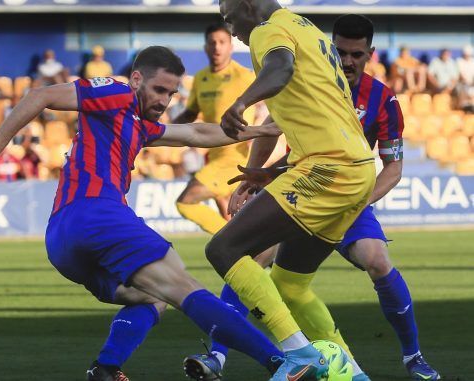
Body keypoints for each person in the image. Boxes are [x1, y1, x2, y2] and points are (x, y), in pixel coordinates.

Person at [0, 46, 287, 381]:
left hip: (62, 240)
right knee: (182, 285)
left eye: (171, 93)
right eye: (158, 89)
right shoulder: (116, 94)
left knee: (152, 296)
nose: (164, 100)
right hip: (97, 214)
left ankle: (106, 368)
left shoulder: (141, 126)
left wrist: (259, 131)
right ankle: (280, 361)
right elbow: (41, 94)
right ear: (135, 79)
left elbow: (197, 132)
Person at [194, 14, 442, 381]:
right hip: (308, 181)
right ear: (330, 47)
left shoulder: (380, 97)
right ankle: (220, 355)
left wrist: (358, 201)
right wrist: (256, 172)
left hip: (345, 188)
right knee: (267, 266)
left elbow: (392, 167)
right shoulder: (320, 74)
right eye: (340, 51)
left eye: (356, 54)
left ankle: (412, 355)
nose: (347, 61)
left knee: (375, 259)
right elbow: (275, 127)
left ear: (370, 54)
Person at [202, 1, 379, 379]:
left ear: (247, 4)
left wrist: (242, 101)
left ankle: (298, 354)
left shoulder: (268, 31)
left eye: (229, 17)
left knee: (223, 248)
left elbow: (279, 68)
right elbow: (315, 109)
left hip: (328, 168)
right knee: (290, 285)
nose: (231, 29)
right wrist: (273, 171)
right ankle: (352, 373)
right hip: (357, 169)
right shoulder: (309, 31)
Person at [173, 24, 257, 235]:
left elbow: (264, 108)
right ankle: (244, 254)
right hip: (214, 155)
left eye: (222, 42)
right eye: (212, 43)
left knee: (186, 201)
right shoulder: (201, 78)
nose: (217, 47)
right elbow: (190, 113)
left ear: (231, 46)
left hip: (234, 158)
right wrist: (160, 127)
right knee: (232, 219)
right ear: (206, 47)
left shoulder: (243, 77)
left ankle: (231, 245)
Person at [457, 44, 474, 111]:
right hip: (463, 85)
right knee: (463, 89)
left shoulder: (473, 61)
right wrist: (467, 82)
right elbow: (460, 75)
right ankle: (465, 107)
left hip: (471, 84)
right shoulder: (459, 61)